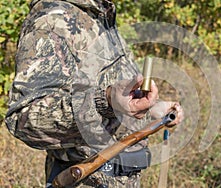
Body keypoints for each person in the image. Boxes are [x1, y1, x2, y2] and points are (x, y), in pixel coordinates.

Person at [5, 0, 183, 187]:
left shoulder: (100, 16)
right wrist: (104, 100)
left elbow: (122, 96)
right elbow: (23, 120)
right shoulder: (52, 20)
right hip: (83, 178)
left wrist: (152, 108)